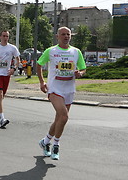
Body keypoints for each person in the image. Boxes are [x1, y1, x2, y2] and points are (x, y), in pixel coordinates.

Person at [37, 27, 86, 160]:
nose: (66, 36)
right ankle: (56, 145)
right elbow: (39, 64)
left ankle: (45, 142)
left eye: (68, 34)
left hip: (69, 89)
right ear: (57, 36)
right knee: (64, 116)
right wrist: (42, 82)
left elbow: (83, 68)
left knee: (59, 119)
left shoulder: (76, 52)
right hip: (54, 88)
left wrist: (80, 73)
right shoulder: (51, 51)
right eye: (63, 34)